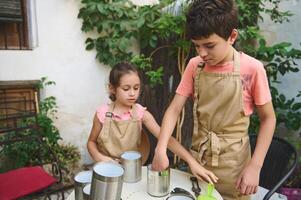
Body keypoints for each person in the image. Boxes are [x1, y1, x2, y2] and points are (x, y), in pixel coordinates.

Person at [151, 0, 276, 199]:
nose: (202, 53)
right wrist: (160, 148)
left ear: (232, 36)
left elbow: (268, 119)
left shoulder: (252, 69)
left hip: (235, 167)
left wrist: (255, 166)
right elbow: (174, 109)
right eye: (197, 46)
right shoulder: (195, 66)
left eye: (209, 46)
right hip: (199, 160)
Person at [87, 62, 218, 183]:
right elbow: (91, 142)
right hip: (105, 171)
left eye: (136, 88)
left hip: (131, 172)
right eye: (126, 89)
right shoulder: (102, 114)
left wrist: (191, 162)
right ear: (112, 88)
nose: (132, 93)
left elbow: (166, 139)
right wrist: (100, 158)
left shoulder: (140, 113)